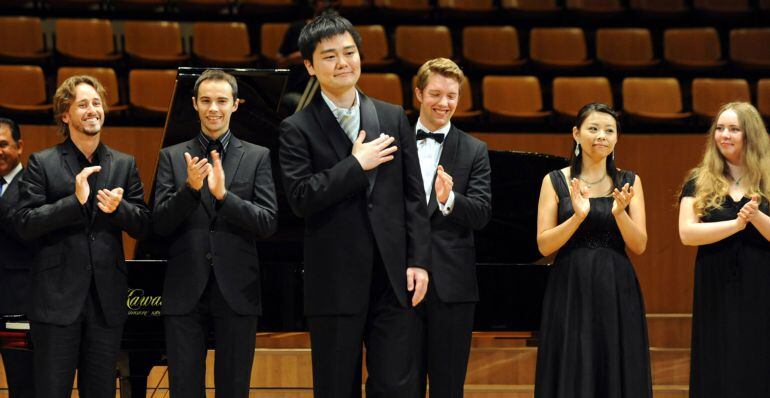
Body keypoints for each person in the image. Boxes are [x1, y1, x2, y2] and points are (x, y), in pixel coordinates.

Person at [278, 11, 431, 397]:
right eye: (329, 56)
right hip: (333, 279)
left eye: (349, 52)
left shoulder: (393, 116)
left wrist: (418, 261)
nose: (343, 62)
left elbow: (413, 196)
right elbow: (300, 199)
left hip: (394, 277)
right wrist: (356, 165)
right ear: (310, 66)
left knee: (397, 385)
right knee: (334, 386)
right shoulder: (296, 128)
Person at [14, 75, 151, 398]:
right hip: (56, 302)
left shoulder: (124, 163)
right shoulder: (42, 163)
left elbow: (144, 225)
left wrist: (118, 210)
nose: (92, 110)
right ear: (65, 114)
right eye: (83, 104)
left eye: (96, 103)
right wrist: (72, 202)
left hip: (106, 303)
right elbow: (25, 223)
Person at [152, 69, 278, 398]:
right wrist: (190, 191)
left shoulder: (257, 156)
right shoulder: (171, 155)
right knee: (184, 389)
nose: (213, 109)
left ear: (236, 104)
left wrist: (225, 197)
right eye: (206, 101)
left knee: (234, 388)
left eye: (222, 101)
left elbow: (267, 222)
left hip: (238, 288)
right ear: (194, 104)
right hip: (184, 288)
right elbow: (159, 224)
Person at [534, 103, 651, 398]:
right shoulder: (554, 180)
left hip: (616, 284)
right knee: (573, 361)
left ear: (616, 138)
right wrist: (577, 217)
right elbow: (544, 244)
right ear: (576, 134)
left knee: (614, 361)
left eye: (609, 130)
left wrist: (620, 213)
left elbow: (639, 245)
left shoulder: (630, 181)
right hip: (570, 284)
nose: (602, 135)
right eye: (594, 128)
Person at [411, 58, 492, 397]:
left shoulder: (475, 150)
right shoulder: (394, 140)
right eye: (435, 94)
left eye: (452, 96)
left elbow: (482, 214)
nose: (444, 103)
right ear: (418, 93)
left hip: (453, 288)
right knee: (396, 383)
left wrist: (451, 199)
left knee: (448, 387)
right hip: (400, 284)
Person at [678, 102, 770, 398]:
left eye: (733, 129)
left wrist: (755, 217)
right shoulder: (698, 179)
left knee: (759, 352)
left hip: (762, 279)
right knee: (717, 351)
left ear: (751, 135)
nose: (724, 135)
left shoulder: (768, 178)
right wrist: (736, 224)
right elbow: (687, 233)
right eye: (719, 128)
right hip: (715, 278)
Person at [0, 118, 34, 398]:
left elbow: (28, 233)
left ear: (19, 146)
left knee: (22, 387)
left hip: (18, 304)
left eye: (3, 144)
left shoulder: (34, 183)